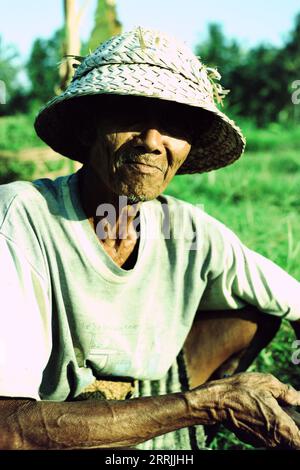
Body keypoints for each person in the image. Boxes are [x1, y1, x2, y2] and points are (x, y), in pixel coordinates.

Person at [0, 27, 300, 451]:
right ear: (89, 129)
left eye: (174, 123)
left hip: (144, 404)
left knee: (255, 309)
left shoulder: (188, 229)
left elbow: (294, 299)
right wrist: (206, 404)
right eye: (130, 115)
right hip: (49, 432)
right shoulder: (21, 216)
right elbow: (8, 429)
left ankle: (172, 443)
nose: (152, 142)